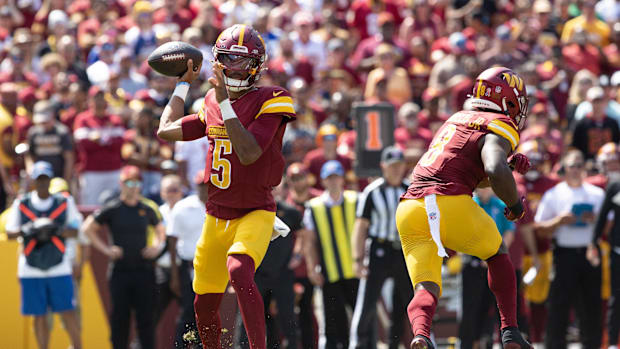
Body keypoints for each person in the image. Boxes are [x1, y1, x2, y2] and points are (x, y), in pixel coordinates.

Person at [156, 24, 296, 349]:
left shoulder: (272, 98)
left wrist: (224, 102)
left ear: (257, 66)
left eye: (242, 61)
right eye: (229, 60)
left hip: (255, 212)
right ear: (217, 62)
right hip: (215, 217)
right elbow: (165, 130)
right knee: (202, 305)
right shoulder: (211, 102)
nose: (234, 68)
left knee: (239, 269)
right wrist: (181, 86)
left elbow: (248, 153)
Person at [395, 66, 532, 349]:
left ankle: (421, 335)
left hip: (410, 207)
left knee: (425, 284)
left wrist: (507, 167)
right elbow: (493, 168)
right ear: (507, 100)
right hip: (448, 203)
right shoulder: (498, 123)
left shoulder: (456, 118)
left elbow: (473, 171)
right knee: (497, 254)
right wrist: (515, 204)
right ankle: (510, 331)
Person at [83, 165, 165, 349]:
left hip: (144, 271)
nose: (133, 186)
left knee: (146, 321)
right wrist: (106, 250)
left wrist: (156, 247)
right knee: (120, 320)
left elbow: (161, 230)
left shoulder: (146, 208)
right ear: (121, 184)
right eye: (129, 182)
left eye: (136, 182)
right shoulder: (113, 208)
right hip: (120, 271)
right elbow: (88, 228)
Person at [5, 161, 82, 349]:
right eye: (39, 179)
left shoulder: (64, 203)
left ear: (50, 180)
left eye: (45, 179)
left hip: (59, 265)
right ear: (33, 181)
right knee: (38, 315)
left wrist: (53, 228)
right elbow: (10, 233)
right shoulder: (22, 204)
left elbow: (75, 230)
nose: (42, 183)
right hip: (31, 267)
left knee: (67, 311)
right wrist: (29, 229)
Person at [535, 150, 604, 349]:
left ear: (584, 168)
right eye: (572, 166)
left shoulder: (596, 193)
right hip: (564, 254)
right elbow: (540, 229)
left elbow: (608, 225)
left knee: (591, 305)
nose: (575, 170)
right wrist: (559, 221)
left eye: (579, 165)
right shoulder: (554, 194)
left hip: (589, 253)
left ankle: (592, 345)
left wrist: (594, 219)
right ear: (564, 168)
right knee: (559, 306)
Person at [349, 146, 413, 349]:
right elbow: (361, 227)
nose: (395, 170)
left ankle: (421, 341)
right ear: (383, 167)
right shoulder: (372, 191)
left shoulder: (410, 189)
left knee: (409, 301)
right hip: (379, 249)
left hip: (403, 251)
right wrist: (357, 259)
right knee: (367, 301)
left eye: (399, 165)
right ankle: (357, 344)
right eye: (392, 166)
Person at [237, 183, 303, 349]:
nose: (271, 192)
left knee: (287, 316)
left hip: (282, 273)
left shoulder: (290, 211)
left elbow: (302, 235)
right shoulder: (250, 212)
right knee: (250, 315)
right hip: (257, 272)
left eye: (274, 188)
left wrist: (297, 255)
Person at [302, 160, 359, 349]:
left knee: (363, 319)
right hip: (330, 272)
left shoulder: (355, 199)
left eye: (336, 177)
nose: (333, 182)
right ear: (323, 181)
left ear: (342, 178)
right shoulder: (314, 206)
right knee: (334, 323)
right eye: (329, 178)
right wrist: (312, 269)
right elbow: (309, 242)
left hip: (356, 271)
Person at [459, 186, 516, 348]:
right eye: (480, 187)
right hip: (473, 263)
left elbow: (509, 232)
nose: (483, 190)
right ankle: (468, 344)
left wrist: (496, 254)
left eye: (487, 187)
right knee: (470, 307)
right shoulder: (469, 206)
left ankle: (486, 342)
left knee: (490, 307)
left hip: (493, 262)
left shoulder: (500, 206)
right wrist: (479, 252)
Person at [166, 171, 208, 348]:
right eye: (201, 185)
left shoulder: (221, 206)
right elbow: (172, 241)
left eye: (207, 185)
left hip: (209, 267)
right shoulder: (183, 207)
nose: (204, 189)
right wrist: (174, 275)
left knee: (207, 312)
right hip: (187, 266)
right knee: (187, 312)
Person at [25, 101, 74, 182]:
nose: (43, 124)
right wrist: (30, 170)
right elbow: (30, 155)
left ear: (52, 116)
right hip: (40, 179)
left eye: (45, 121)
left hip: (59, 178)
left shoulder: (62, 132)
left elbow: (69, 158)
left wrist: (66, 180)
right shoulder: (33, 133)